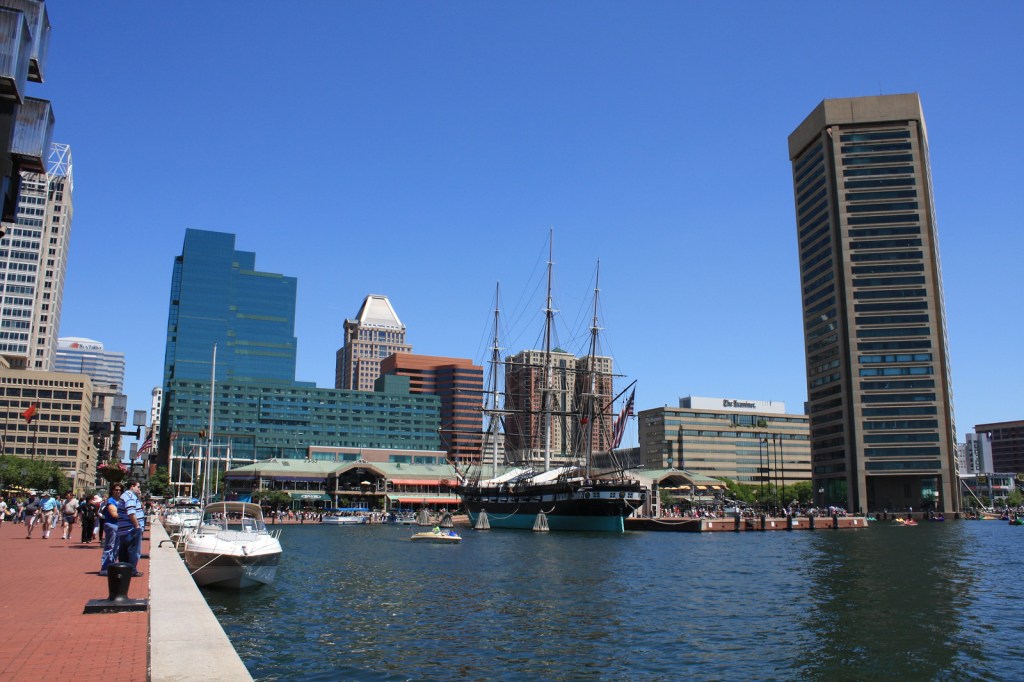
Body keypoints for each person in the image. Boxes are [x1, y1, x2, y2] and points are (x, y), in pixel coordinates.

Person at [118, 480, 144, 576]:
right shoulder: (130, 496)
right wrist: (137, 526)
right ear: (132, 486)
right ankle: (131, 570)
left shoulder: (126, 495)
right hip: (131, 529)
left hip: (124, 529)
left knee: (124, 550)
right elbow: (131, 512)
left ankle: (124, 569)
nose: (139, 489)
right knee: (133, 550)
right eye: (138, 487)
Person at [99, 483, 123, 576]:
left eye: (119, 490)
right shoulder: (111, 501)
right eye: (116, 490)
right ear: (112, 491)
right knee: (110, 546)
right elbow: (114, 514)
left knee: (117, 548)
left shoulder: (121, 501)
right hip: (111, 525)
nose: (118, 491)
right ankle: (105, 567)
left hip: (119, 526)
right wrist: (126, 515)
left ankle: (112, 565)